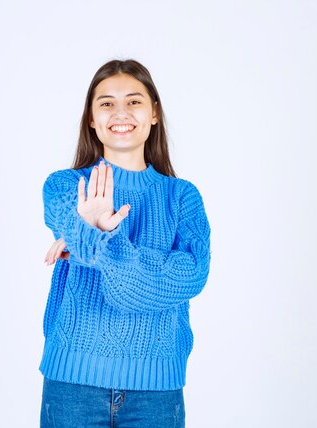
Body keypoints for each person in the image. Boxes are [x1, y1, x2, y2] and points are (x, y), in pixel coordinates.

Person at [39, 59, 211, 427]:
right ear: (91, 118)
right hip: (73, 384)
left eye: (133, 101)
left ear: (154, 114)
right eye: (106, 103)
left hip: (156, 392)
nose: (121, 112)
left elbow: (189, 276)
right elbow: (69, 222)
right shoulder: (65, 186)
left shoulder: (182, 197)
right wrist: (107, 244)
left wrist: (102, 241)